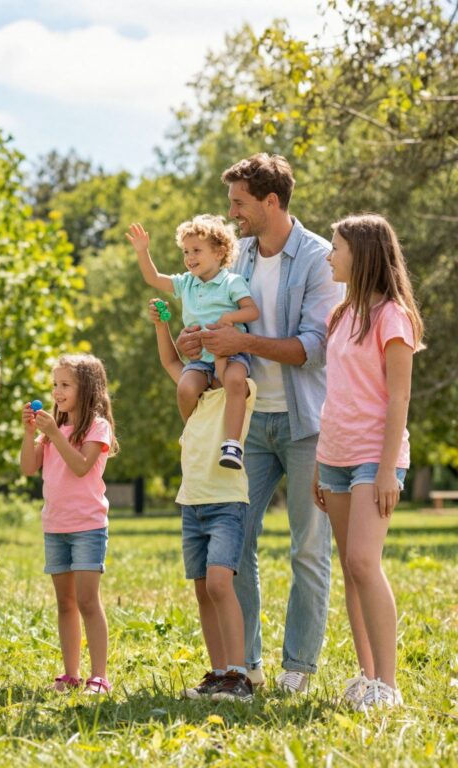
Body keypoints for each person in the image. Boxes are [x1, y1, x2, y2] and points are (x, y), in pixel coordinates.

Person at [177, 153, 339, 692]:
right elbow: (211, 320)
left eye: (240, 203)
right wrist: (195, 341)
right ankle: (245, 666)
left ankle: (298, 668)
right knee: (235, 544)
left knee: (307, 547)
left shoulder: (317, 258)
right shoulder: (235, 254)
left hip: (304, 420)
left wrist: (242, 341)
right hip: (244, 423)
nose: (232, 213)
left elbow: (314, 348)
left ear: (271, 201)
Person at [313, 214, 423, 710]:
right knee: (351, 569)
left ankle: (389, 686)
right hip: (334, 455)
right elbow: (335, 393)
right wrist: (320, 461)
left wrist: (385, 470)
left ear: (362, 254)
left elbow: (399, 398)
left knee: (363, 561)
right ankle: (368, 678)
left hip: (373, 458)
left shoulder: (393, 317)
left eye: (336, 247)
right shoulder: (340, 316)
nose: (329, 256)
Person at [150, 299, 257, 702]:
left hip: (226, 502)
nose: (209, 350)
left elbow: (229, 370)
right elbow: (169, 362)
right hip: (192, 502)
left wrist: (225, 344)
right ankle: (218, 672)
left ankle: (240, 675)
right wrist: (162, 325)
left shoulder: (239, 392)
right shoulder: (195, 397)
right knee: (202, 590)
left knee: (219, 584)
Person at [19, 354, 118, 695]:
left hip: (88, 526)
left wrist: (52, 434)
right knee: (65, 603)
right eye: (54, 384)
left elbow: (80, 466)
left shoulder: (97, 427)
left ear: (86, 388)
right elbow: (28, 467)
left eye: (65, 385)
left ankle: (99, 676)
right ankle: (71, 674)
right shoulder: (53, 431)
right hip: (55, 526)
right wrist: (30, 433)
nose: (56, 392)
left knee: (88, 600)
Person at [127, 216, 259, 469]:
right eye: (186, 251)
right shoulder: (186, 282)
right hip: (200, 360)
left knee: (234, 381)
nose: (189, 257)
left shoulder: (231, 282)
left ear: (219, 252)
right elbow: (153, 278)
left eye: (196, 250)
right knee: (186, 388)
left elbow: (252, 311)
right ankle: (193, 431)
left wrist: (229, 319)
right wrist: (142, 251)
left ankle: (232, 444)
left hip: (232, 355)